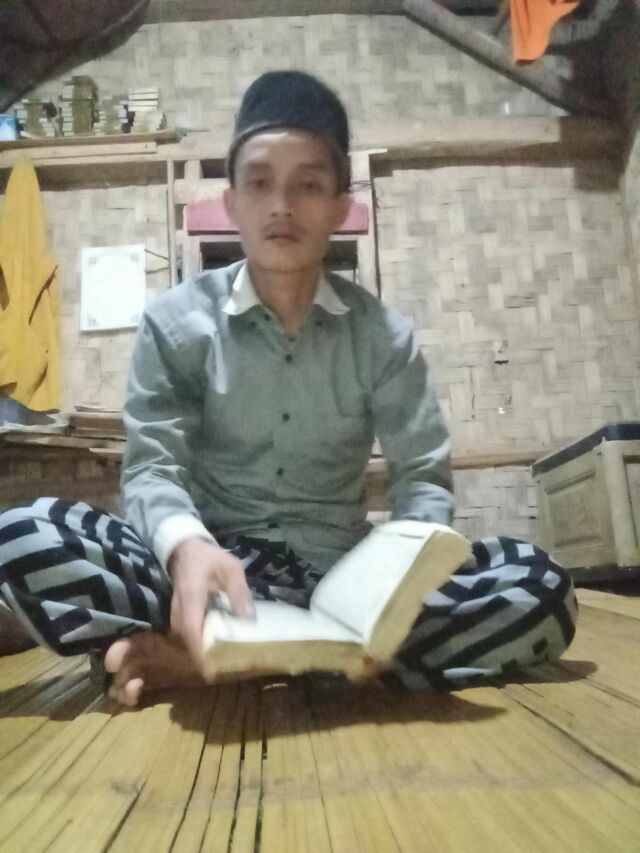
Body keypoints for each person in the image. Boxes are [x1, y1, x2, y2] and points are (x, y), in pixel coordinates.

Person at [0, 71, 577, 707]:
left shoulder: (385, 337)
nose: (282, 205)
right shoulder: (175, 322)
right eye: (259, 182)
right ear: (231, 203)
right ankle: (308, 657)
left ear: (341, 206)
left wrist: (395, 584)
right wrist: (187, 550)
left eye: (308, 184)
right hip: (215, 577)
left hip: (345, 577)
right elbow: (153, 470)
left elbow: (423, 481)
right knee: (24, 533)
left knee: (541, 584)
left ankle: (227, 661)